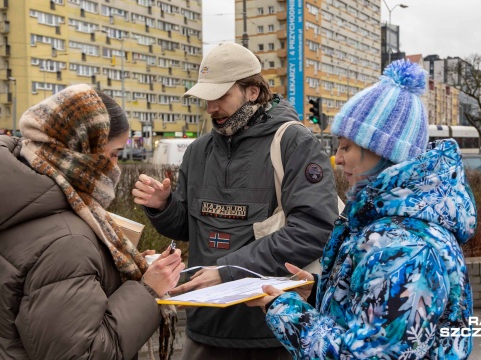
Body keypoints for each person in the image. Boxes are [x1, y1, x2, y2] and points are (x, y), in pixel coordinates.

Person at [248, 60, 476, 359]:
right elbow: (375, 316)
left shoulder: (404, 248)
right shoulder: (389, 225)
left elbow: (368, 354)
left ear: (382, 151)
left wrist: (285, 311)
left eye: (346, 147)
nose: (337, 159)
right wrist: (317, 294)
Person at [132, 42, 338, 359]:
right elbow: (190, 227)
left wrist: (229, 270)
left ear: (253, 91)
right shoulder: (199, 151)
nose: (211, 107)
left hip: (270, 332)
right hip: (203, 330)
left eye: (220, 96)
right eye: (206, 98)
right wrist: (163, 206)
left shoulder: (294, 142)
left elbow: (313, 229)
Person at [0, 84, 185, 360]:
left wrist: (115, 268)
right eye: (113, 153)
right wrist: (148, 291)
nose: (116, 167)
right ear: (82, 150)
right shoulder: (68, 240)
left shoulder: (23, 203)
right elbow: (83, 353)